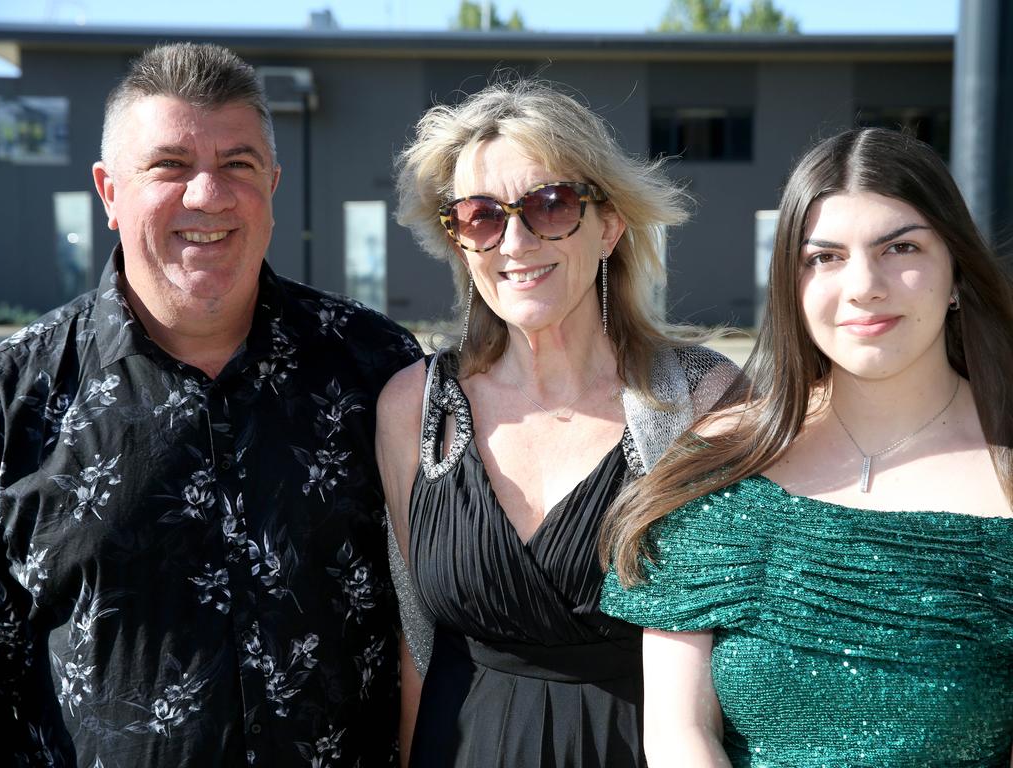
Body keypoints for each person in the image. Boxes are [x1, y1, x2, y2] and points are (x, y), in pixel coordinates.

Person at [0, 43, 422, 766]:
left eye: (238, 166)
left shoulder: (378, 370)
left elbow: (432, 622)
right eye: (169, 166)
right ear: (108, 194)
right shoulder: (13, 399)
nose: (207, 196)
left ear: (273, 187)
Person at [601, 127, 1013, 766]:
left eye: (900, 247)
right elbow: (681, 733)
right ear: (790, 285)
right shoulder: (719, 469)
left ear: (956, 270)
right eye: (824, 257)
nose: (864, 287)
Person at [378, 79, 737, 767]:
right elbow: (416, 647)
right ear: (457, 241)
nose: (515, 240)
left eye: (550, 205)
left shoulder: (703, 400)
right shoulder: (413, 410)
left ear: (609, 225)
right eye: (481, 216)